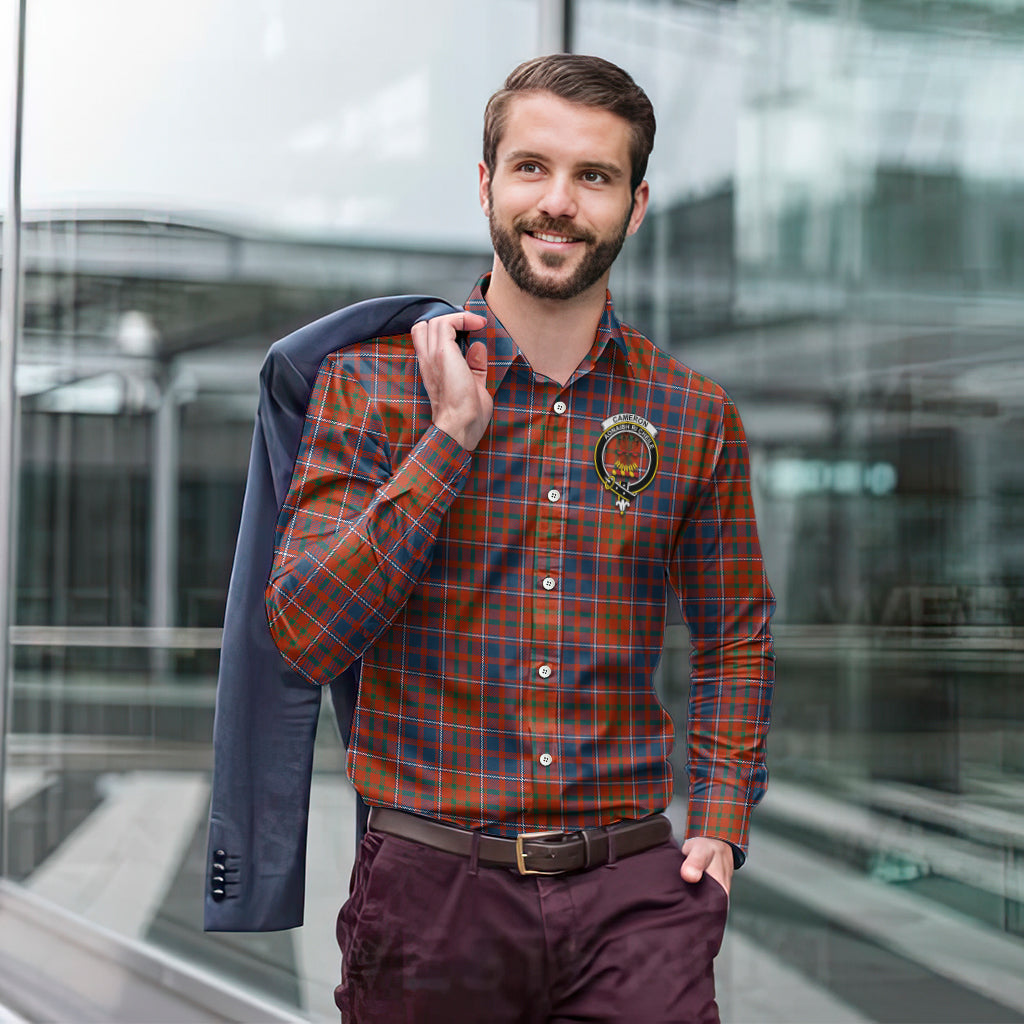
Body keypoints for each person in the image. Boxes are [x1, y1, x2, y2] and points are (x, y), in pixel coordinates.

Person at [265, 53, 775, 1024]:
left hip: (635, 897)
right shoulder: (369, 387)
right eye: (532, 167)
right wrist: (451, 436)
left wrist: (717, 820)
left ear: (636, 202)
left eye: (595, 176)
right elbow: (303, 632)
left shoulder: (694, 414)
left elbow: (735, 633)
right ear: (486, 182)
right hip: (432, 896)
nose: (559, 202)